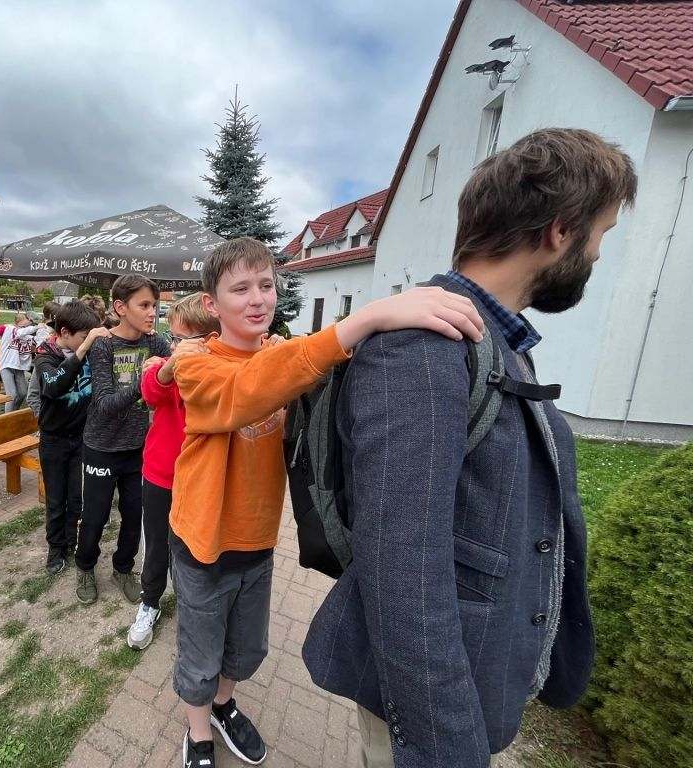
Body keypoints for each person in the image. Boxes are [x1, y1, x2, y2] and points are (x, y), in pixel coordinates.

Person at [301, 128, 637, 768]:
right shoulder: (423, 349)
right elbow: (404, 570)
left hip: (475, 671)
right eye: (601, 233)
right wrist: (445, 746)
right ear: (560, 231)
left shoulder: (492, 337)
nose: (597, 252)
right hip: (431, 702)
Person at [168, 237, 484, 767]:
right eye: (240, 289)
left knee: (245, 647)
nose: (257, 298)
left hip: (257, 537)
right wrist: (368, 317)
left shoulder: (281, 354)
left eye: (266, 285)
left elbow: (299, 374)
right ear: (210, 304)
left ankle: (223, 707)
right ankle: (198, 733)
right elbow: (246, 391)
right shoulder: (195, 364)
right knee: (200, 651)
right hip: (203, 540)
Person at [126, 292, 220, 651]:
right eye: (172, 337)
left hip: (200, 479)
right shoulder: (167, 365)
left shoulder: (221, 372)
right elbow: (150, 394)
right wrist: (169, 365)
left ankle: (192, 603)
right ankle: (149, 602)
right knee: (155, 544)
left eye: (181, 338)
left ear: (210, 338)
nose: (173, 345)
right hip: (161, 474)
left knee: (196, 548)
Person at [74, 275, 171, 606]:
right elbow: (103, 404)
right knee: (96, 515)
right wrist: (147, 381)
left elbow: (178, 370)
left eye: (154, 305)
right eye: (144, 305)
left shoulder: (156, 343)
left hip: (138, 447)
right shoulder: (103, 345)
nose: (152, 313)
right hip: (101, 446)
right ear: (120, 307)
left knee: (134, 514)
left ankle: (123, 568)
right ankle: (85, 565)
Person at [32, 301, 111, 575]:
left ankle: (71, 540)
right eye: (84, 336)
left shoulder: (88, 353)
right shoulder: (45, 355)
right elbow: (53, 386)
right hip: (53, 440)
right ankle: (55, 548)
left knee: (76, 498)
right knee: (56, 500)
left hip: (80, 437)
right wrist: (83, 348)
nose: (88, 341)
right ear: (64, 332)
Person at [0, 313, 38, 411]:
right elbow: (19, 333)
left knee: (22, 392)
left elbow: (37, 340)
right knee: (11, 395)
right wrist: (36, 327)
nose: (25, 329)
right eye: (22, 326)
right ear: (16, 323)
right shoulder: (10, 329)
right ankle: (7, 417)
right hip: (7, 366)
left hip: (19, 367)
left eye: (26, 326)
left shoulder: (26, 335)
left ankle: (14, 412)